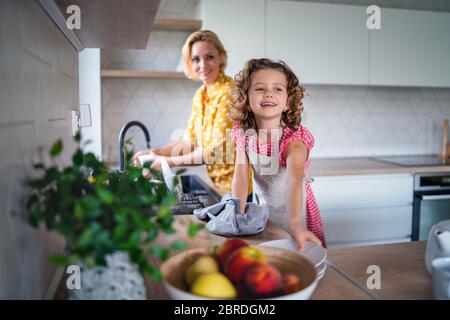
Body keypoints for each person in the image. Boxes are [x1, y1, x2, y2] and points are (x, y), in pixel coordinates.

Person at [230, 58, 326, 251]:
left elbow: (294, 179)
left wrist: (295, 223)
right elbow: (241, 176)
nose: (269, 94)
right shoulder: (243, 133)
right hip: (264, 212)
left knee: (297, 257)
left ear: (288, 102)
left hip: (296, 213)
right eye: (259, 88)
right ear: (246, 100)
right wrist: (237, 217)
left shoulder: (294, 141)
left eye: (278, 89)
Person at [132, 30, 236, 191]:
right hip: (218, 185)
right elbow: (189, 143)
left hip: (238, 187)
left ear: (221, 57)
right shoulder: (201, 95)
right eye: (196, 59)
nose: (203, 65)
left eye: (210, 57)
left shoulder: (229, 93)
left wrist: (166, 161)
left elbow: (216, 153)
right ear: (189, 63)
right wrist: (156, 152)